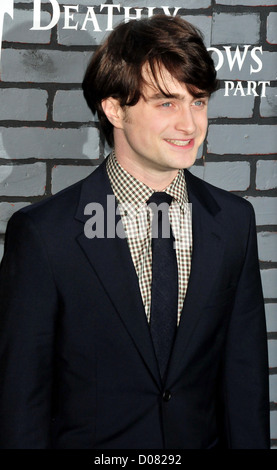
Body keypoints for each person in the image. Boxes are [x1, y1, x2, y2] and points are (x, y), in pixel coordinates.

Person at [0, 15, 270, 449]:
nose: (190, 125)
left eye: (197, 101)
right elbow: (20, 405)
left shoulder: (233, 221)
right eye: (167, 103)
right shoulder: (42, 235)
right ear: (114, 108)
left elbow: (245, 382)